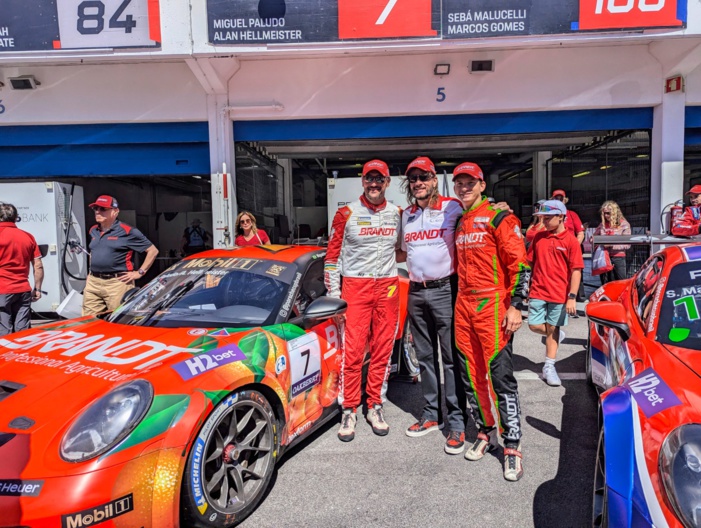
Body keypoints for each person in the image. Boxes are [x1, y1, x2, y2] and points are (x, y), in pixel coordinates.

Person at [453, 161, 530, 482]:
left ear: (482, 185)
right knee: (472, 377)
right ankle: (486, 430)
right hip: (463, 305)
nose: (464, 187)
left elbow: (520, 265)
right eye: (459, 183)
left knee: (500, 378)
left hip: (493, 304)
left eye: (470, 182)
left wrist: (518, 306)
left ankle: (512, 445)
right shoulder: (458, 220)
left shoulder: (500, 217)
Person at [324, 159, 401, 442]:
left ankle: (375, 405)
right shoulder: (346, 213)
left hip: (388, 287)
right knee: (353, 352)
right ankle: (349, 408)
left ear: (387, 182)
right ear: (362, 181)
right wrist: (334, 298)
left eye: (379, 179)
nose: (374, 184)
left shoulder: (397, 213)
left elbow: (402, 250)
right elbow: (331, 259)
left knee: (383, 350)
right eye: (369, 179)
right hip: (355, 286)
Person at [397, 156, 466, 454]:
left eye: (423, 177)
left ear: (434, 179)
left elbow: (479, 216)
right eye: (413, 179)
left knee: (451, 359)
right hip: (416, 291)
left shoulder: (453, 207)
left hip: (445, 290)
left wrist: (499, 208)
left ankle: (457, 423)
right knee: (425, 357)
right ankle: (430, 415)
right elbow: (401, 253)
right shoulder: (407, 215)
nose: (418, 183)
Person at [526, 200, 584, 387]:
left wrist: (572, 297)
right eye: (542, 218)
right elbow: (530, 263)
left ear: (561, 217)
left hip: (559, 294)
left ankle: (549, 366)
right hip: (538, 291)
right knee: (534, 326)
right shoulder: (539, 237)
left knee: (552, 329)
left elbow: (576, 270)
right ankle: (557, 333)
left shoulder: (571, 241)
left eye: (548, 218)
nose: (544, 222)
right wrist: (527, 285)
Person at [83, 195, 158, 316]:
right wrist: (90, 273)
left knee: (118, 318)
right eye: (95, 208)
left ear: (115, 211)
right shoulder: (93, 230)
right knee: (89, 320)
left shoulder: (128, 231)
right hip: (93, 282)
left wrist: (139, 273)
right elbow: (94, 252)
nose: (98, 211)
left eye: (103, 209)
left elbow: (152, 251)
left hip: (117, 283)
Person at [0, 203, 44, 336]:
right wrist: (37, 288)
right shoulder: (28, 236)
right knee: (22, 331)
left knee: (3, 330)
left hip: (2, 289)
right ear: (16, 218)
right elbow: (38, 265)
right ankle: (21, 355)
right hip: (23, 289)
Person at [591, 200, 631, 284]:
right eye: (604, 213)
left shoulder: (624, 224)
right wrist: (598, 242)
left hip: (618, 257)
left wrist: (612, 245)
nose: (606, 216)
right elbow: (592, 238)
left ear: (614, 213)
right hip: (604, 257)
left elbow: (627, 244)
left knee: (621, 282)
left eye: (608, 213)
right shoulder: (602, 224)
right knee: (606, 283)